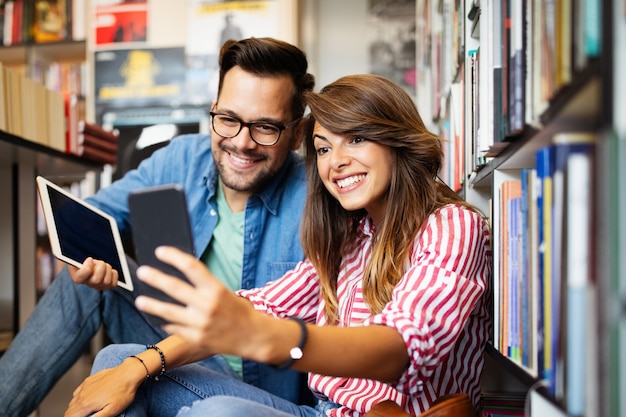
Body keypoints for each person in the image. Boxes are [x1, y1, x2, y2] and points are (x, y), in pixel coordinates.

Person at [65, 73, 492, 417]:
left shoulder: (452, 225)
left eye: (356, 139)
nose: (336, 162)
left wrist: (273, 340)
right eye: (323, 148)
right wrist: (138, 366)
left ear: (398, 140)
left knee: (219, 413)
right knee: (120, 363)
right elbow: (258, 308)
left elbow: (398, 349)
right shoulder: (348, 237)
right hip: (325, 411)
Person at [0, 37, 316, 417]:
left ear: (297, 133)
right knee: (79, 283)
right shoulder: (183, 157)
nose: (241, 143)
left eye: (265, 127)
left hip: (263, 386)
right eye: (228, 119)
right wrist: (91, 257)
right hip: (172, 347)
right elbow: (95, 213)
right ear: (213, 110)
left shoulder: (317, 198)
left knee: (122, 368)